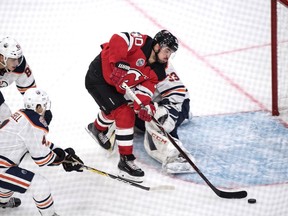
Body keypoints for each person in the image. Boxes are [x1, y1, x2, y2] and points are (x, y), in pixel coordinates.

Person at [85, 30, 178, 183]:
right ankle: (125, 161)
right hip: (98, 77)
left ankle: (97, 128)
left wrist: (144, 107)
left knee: (116, 109)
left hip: (118, 87)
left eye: (171, 52)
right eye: (167, 50)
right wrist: (119, 62)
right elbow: (118, 38)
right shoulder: (141, 43)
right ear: (157, 45)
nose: (168, 55)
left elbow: (144, 92)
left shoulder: (159, 71)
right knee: (124, 114)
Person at [0, 88, 83, 216]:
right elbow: (42, 159)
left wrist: (64, 154)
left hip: (4, 167)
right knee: (40, 185)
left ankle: (2, 202)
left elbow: (36, 143)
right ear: (37, 106)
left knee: (11, 178)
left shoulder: (24, 116)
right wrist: (62, 159)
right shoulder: (33, 122)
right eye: (44, 105)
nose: (46, 109)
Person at [0, 37, 52, 125]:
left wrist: (41, 109)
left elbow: (31, 94)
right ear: (2, 58)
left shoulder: (21, 67)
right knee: (4, 115)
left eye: (18, 59)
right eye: (13, 60)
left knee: (6, 119)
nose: (17, 63)